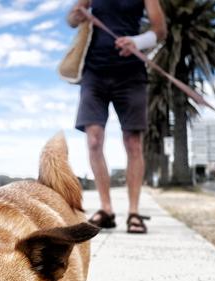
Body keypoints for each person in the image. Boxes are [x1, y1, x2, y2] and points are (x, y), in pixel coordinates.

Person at [67, 0, 166, 234]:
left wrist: (137, 42)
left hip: (131, 73)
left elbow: (160, 30)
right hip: (94, 72)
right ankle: (106, 209)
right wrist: (77, 15)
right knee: (93, 140)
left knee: (133, 142)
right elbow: (71, 20)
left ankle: (133, 212)